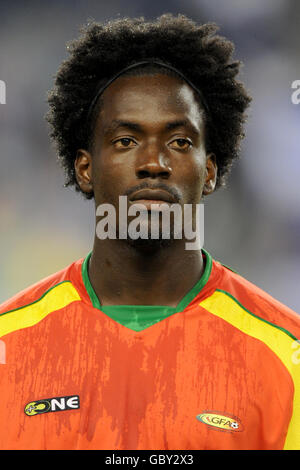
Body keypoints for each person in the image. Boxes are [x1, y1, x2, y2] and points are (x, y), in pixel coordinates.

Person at [0, 13, 299, 451]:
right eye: (126, 140)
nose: (154, 162)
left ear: (210, 171)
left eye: (180, 142)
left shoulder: (286, 357)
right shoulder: (10, 345)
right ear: (85, 168)